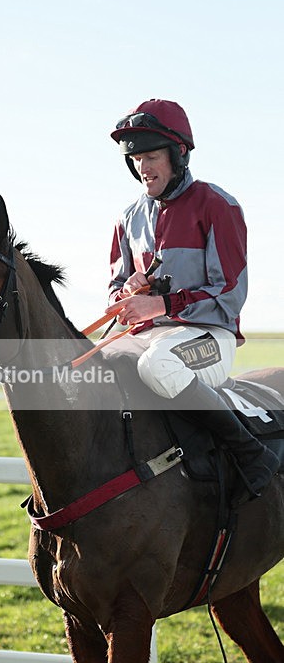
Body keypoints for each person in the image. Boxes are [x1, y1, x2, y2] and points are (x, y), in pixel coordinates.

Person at [106, 98, 279, 504]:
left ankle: (252, 453)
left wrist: (163, 306)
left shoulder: (217, 205)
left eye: (151, 156)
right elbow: (113, 293)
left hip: (208, 339)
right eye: (135, 159)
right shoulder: (128, 219)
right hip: (145, 336)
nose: (142, 168)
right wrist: (127, 293)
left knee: (158, 364)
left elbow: (229, 295)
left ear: (179, 152)